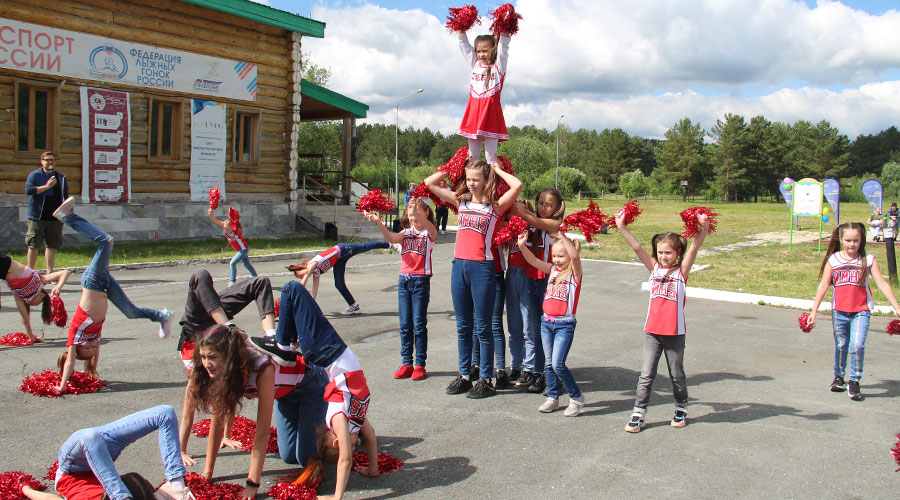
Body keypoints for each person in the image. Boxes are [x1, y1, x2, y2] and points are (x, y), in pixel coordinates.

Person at [249, 281, 380, 500]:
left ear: (337, 440)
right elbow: (360, 447)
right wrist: (368, 474)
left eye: (353, 446)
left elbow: (358, 450)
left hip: (326, 352)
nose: (357, 445)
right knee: (293, 293)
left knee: (293, 289)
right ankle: (284, 346)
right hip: (326, 352)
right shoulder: (349, 419)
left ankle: (284, 347)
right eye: (356, 445)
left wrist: (340, 495)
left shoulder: (346, 416)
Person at [52, 197, 173, 392]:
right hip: (104, 287)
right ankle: (162, 316)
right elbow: (94, 355)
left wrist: (62, 385)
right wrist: (92, 367)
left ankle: (68, 217)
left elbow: (69, 363)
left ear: (77, 350)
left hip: (93, 281)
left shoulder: (75, 337)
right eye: (92, 350)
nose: (92, 346)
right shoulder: (95, 338)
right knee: (131, 312)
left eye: (88, 348)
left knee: (105, 241)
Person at [425, 159, 522, 399]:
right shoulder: (461, 201)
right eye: (468, 179)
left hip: (483, 268)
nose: (472, 183)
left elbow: (517, 186)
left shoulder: (495, 206)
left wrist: (497, 170)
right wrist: (454, 168)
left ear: (487, 180)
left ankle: (486, 380)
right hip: (460, 266)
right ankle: (466, 376)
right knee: (463, 326)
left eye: (476, 179)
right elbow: (429, 184)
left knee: (484, 326)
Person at [616, 209, 710, 432]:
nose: (663, 256)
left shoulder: (681, 272)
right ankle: (639, 412)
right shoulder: (654, 268)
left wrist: (703, 227)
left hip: (675, 334)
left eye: (668, 252)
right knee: (646, 374)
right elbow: (636, 247)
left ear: (677, 253)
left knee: (676, 374)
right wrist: (621, 226)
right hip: (652, 332)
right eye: (660, 252)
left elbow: (695, 246)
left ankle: (681, 407)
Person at [179, 323, 286, 500]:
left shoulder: (262, 368)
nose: (206, 364)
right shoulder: (224, 370)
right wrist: (207, 474)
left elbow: (262, 432)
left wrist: (252, 485)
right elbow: (217, 420)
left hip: (307, 390)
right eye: (203, 357)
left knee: (298, 456)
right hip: (283, 396)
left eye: (212, 357)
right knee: (289, 452)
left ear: (229, 356)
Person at [806, 222, 900, 401]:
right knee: (841, 345)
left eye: (856, 240)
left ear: (861, 240)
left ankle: (854, 380)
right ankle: (839, 376)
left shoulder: (868, 260)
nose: (852, 244)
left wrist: (896, 307)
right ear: (841, 240)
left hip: (861, 311)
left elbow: (882, 284)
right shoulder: (833, 260)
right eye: (848, 240)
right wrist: (814, 310)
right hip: (839, 311)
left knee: (857, 346)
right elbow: (824, 284)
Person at [22, 405, 193, 500]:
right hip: (103, 453)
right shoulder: (143, 492)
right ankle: (177, 485)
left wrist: (25, 489)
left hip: (75, 466)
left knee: (90, 437)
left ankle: (120, 498)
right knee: (165, 413)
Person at [365, 198, 437, 380]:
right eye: (410, 212)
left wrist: (419, 214)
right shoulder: (406, 233)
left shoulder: (428, 234)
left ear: (426, 213)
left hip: (421, 281)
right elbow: (391, 238)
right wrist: (379, 223)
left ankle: (420, 364)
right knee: (405, 325)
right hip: (404, 280)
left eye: (417, 212)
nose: (412, 216)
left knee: (419, 325)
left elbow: (432, 230)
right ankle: (407, 363)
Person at [517, 230, 584, 416]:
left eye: (561, 256)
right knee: (548, 364)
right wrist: (522, 246)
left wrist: (562, 235)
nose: (556, 260)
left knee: (558, 364)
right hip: (547, 323)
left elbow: (576, 257)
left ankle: (576, 397)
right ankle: (552, 397)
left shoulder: (574, 274)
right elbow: (534, 262)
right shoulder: (553, 270)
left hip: (565, 325)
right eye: (554, 255)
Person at [510, 189, 566, 394]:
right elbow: (525, 219)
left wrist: (521, 210)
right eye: (541, 203)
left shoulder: (555, 225)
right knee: (537, 329)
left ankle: (555, 374)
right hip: (533, 279)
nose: (543, 207)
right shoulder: (534, 224)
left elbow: (532, 219)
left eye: (549, 204)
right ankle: (539, 372)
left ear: (558, 208)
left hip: (551, 284)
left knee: (551, 330)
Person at [287, 241, 389, 315]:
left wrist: (298, 289)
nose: (302, 276)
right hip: (339, 261)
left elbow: (305, 277)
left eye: (300, 273)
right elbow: (314, 290)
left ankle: (389, 244)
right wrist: (310, 305)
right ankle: (354, 306)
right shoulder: (316, 272)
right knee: (339, 284)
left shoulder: (311, 264)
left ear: (301, 267)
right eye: (300, 276)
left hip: (342, 249)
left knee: (364, 247)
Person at [456, 31, 511, 164]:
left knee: (490, 157)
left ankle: (492, 182)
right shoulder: (475, 64)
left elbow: (504, 49)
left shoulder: (498, 67)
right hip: (474, 113)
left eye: (485, 51)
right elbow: (465, 47)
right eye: (478, 51)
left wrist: (505, 32)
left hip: (491, 114)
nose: (481, 54)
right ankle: (470, 182)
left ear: (493, 50)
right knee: (472, 156)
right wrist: (461, 32)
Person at [1, 254, 71, 343]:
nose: (32, 304)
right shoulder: (41, 280)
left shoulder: (19, 294)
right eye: (36, 303)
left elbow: (25, 320)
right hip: (5, 263)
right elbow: (66, 272)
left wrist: (31, 337)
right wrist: (58, 287)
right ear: (41, 295)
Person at [24, 151, 68, 273]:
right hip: (37, 216)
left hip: (54, 218)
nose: (49, 162)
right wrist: (47, 187)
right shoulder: (35, 175)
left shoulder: (60, 177)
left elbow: (65, 196)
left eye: (52, 160)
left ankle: (49, 273)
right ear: (41, 161)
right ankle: (30, 273)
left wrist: (64, 213)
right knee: (33, 245)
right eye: (47, 160)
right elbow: (29, 190)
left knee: (51, 246)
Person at [208, 207, 256, 286]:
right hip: (240, 250)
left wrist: (235, 220)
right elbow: (215, 221)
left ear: (232, 228)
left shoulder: (236, 231)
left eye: (227, 230)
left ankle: (232, 281)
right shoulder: (225, 225)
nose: (225, 231)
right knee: (246, 264)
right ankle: (255, 277)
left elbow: (237, 223)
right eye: (225, 229)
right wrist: (211, 214)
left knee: (232, 263)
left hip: (243, 249)